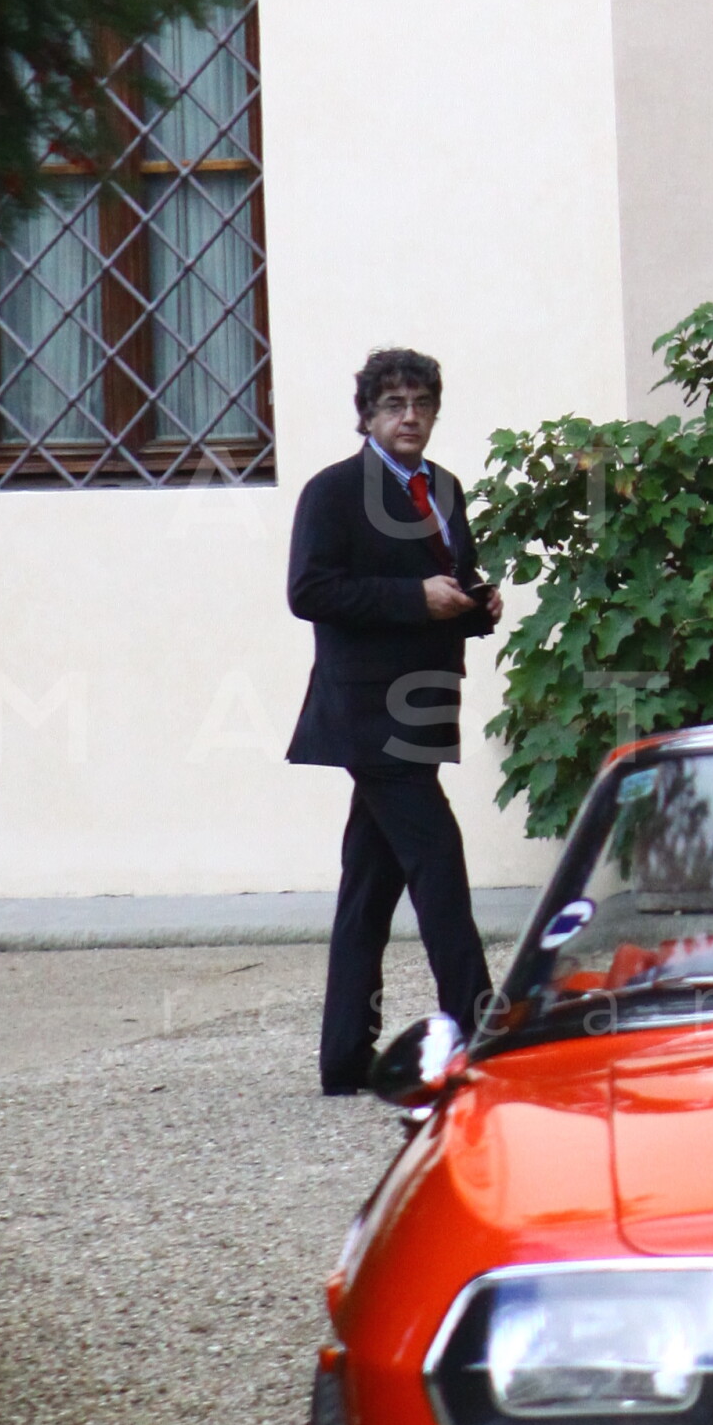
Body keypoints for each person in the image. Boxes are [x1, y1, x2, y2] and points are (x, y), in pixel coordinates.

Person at [287, 348, 503, 1093]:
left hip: (425, 706)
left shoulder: (444, 487)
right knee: (438, 864)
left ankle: (345, 1057)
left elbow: (448, 584)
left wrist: (478, 604)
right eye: (393, 405)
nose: (409, 417)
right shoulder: (333, 491)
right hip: (367, 713)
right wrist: (417, 599)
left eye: (421, 404)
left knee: (369, 886)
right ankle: (480, 1034)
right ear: (368, 416)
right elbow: (310, 590)